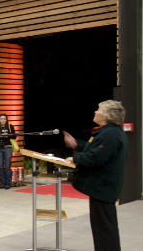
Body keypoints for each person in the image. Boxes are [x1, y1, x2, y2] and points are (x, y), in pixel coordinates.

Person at [62, 101, 127, 251]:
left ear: (106, 115)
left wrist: (76, 158)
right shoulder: (109, 132)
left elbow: (96, 157)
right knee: (103, 228)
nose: (95, 112)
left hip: (103, 188)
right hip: (103, 188)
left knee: (104, 229)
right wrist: (76, 145)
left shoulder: (110, 134)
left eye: (99, 110)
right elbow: (94, 149)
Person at [0, 113, 16, 189]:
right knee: (0, 166)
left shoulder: (10, 127)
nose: (3, 120)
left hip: (7, 147)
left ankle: (8, 183)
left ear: (6, 120)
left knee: (7, 166)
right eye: (1, 119)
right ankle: (2, 183)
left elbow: (14, 136)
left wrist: (8, 135)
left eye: (4, 119)